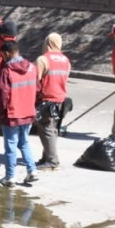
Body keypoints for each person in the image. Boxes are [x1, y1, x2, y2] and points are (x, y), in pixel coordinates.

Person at [0, 38, 39, 187]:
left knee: (10, 146)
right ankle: (32, 170)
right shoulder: (33, 67)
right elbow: (38, 89)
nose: (2, 58)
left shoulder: (7, 71)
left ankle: (10, 177)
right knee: (24, 142)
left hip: (12, 114)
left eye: (2, 55)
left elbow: (3, 95)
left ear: (7, 53)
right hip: (28, 112)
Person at [35, 32, 71, 170]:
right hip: (61, 99)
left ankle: (52, 161)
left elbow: (35, 81)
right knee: (52, 129)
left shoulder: (43, 59)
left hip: (47, 98)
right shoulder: (66, 60)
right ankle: (46, 157)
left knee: (46, 129)